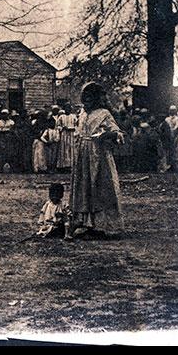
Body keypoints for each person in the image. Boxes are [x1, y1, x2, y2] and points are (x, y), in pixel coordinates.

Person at [69, 82, 124, 239]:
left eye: (90, 97)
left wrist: (107, 135)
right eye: (84, 97)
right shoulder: (83, 114)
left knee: (99, 188)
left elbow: (117, 133)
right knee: (84, 188)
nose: (86, 101)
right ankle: (87, 223)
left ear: (96, 98)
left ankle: (101, 226)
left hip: (98, 156)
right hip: (83, 156)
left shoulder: (104, 114)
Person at [55, 103, 77, 171]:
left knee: (71, 148)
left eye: (69, 108)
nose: (68, 110)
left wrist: (73, 128)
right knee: (64, 149)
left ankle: (71, 165)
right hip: (64, 134)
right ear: (65, 109)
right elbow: (57, 126)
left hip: (71, 134)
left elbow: (77, 125)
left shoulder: (73, 116)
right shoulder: (61, 117)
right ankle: (63, 165)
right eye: (67, 108)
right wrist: (62, 128)